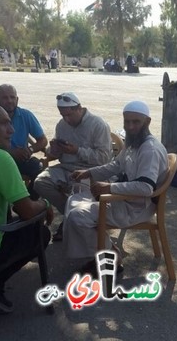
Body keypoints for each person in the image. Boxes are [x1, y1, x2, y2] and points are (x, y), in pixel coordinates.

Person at [63, 100, 168, 274]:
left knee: (77, 216)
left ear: (147, 122)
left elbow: (145, 188)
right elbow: (115, 166)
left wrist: (110, 188)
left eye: (136, 122)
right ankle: (100, 252)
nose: (131, 126)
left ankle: (111, 257)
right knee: (73, 200)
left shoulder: (149, 149)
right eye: (127, 122)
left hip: (137, 207)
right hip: (126, 200)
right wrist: (89, 172)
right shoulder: (134, 142)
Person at [34, 92, 112, 241]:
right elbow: (53, 154)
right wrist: (54, 150)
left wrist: (77, 150)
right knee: (40, 182)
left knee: (80, 189)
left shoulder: (98, 125)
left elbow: (104, 159)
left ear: (79, 108)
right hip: (66, 168)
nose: (66, 119)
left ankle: (75, 222)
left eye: (69, 115)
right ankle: (70, 216)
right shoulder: (62, 125)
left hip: (90, 171)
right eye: (63, 115)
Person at [0, 106, 53, 314]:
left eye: (9, 122)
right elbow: (28, 211)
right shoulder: (2, 159)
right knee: (40, 233)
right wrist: (45, 204)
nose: (11, 130)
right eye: (3, 124)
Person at [0, 84, 48, 196]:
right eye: (5, 97)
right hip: (0, 160)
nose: (10, 101)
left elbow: (43, 140)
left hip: (21, 160)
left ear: (17, 99)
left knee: (40, 172)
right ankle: (6, 211)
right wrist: (11, 152)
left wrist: (29, 150)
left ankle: (28, 202)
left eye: (12, 97)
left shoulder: (26, 115)